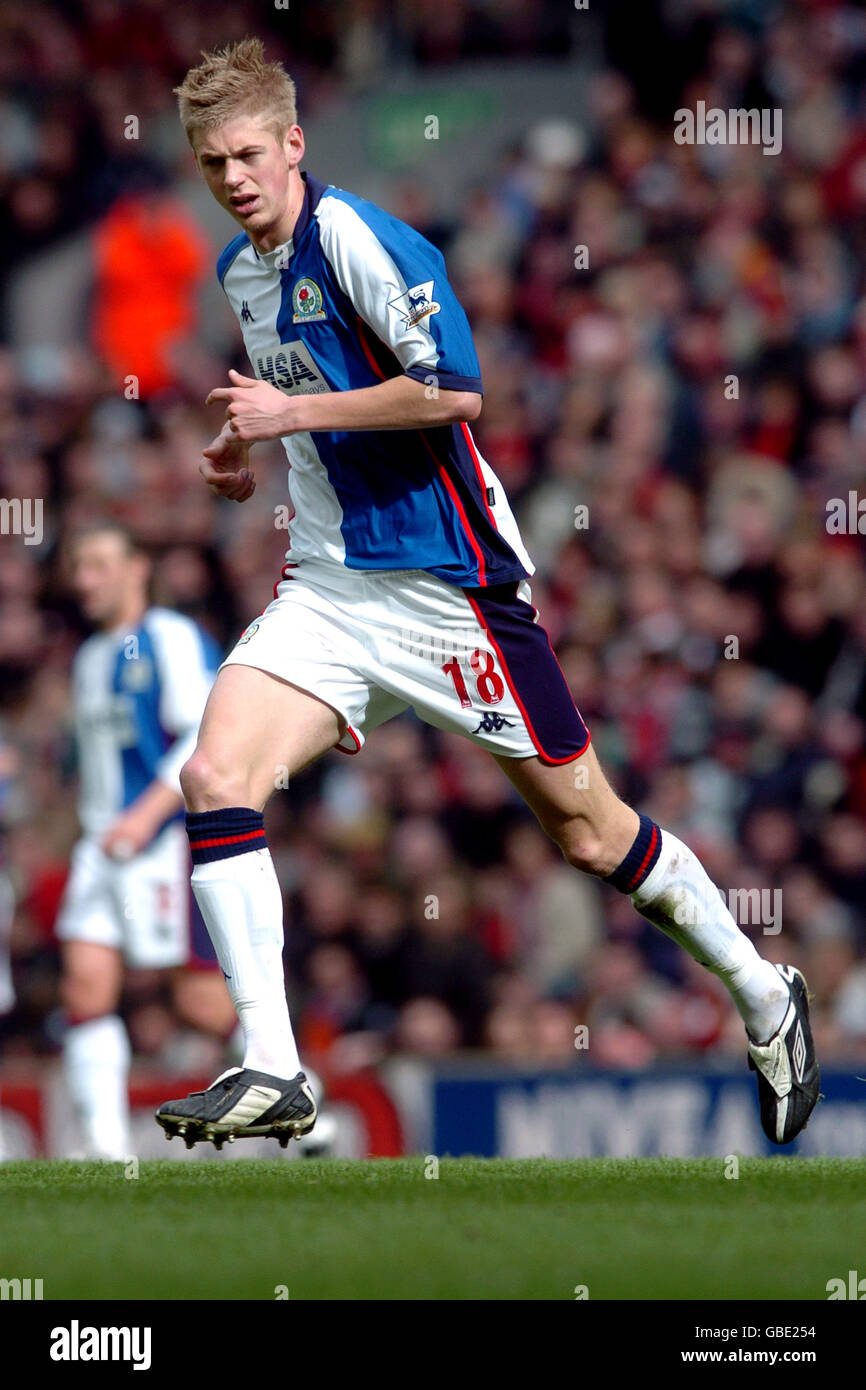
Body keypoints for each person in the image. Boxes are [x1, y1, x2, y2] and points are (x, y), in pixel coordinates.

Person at [156, 38, 818, 1149]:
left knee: (590, 832)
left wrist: (289, 419)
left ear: (294, 145)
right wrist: (237, 444)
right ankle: (273, 1062)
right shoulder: (241, 273)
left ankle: (760, 991)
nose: (231, 179)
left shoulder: (360, 238)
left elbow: (452, 390)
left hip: (452, 590)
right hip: (330, 588)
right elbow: (295, 391)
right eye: (210, 162)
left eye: (248, 155)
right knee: (214, 774)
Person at [57, 525, 234, 1158]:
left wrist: (142, 817)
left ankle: (302, 1091)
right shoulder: (89, 658)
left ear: (138, 568)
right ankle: (106, 1152)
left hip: (157, 843)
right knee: (84, 986)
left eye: (99, 564)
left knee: (200, 1001)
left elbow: (201, 737)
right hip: (99, 846)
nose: (84, 580)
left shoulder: (169, 638)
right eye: (78, 567)